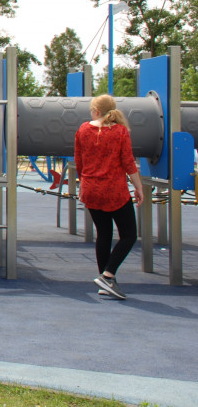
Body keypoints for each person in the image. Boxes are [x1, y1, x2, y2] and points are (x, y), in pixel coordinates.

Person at [74, 94, 144, 300]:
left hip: (91, 189)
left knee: (103, 234)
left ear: (95, 111)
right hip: (114, 190)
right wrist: (138, 187)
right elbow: (128, 162)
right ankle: (108, 274)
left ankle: (105, 281)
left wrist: (84, 181)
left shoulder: (83, 129)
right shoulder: (120, 131)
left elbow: (79, 161)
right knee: (129, 234)